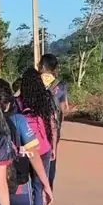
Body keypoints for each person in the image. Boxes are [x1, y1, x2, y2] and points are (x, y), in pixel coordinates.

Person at [16, 68, 57, 205]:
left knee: (23, 183)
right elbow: (52, 125)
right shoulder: (45, 100)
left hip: (24, 147)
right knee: (38, 184)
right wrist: (53, 147)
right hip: (44, 147)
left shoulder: (17, 102)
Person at [38, 53, 69, 190]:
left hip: (35, 126)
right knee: (51, 156)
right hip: (53, 128)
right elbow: (63, 109)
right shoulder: (60, 85)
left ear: (42, 66)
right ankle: (48, 187)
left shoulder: (33, 82)